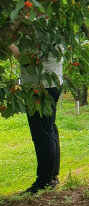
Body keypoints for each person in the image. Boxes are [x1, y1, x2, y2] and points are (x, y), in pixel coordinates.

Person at [7, 43, 63, 194]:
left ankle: (44, 181)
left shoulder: (40, 33)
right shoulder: (56, 30)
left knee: (42, 134)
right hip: (51, 84)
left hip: (40, 88)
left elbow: (25, 58)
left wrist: (8, 43)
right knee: (49, 130)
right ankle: (51, 177)